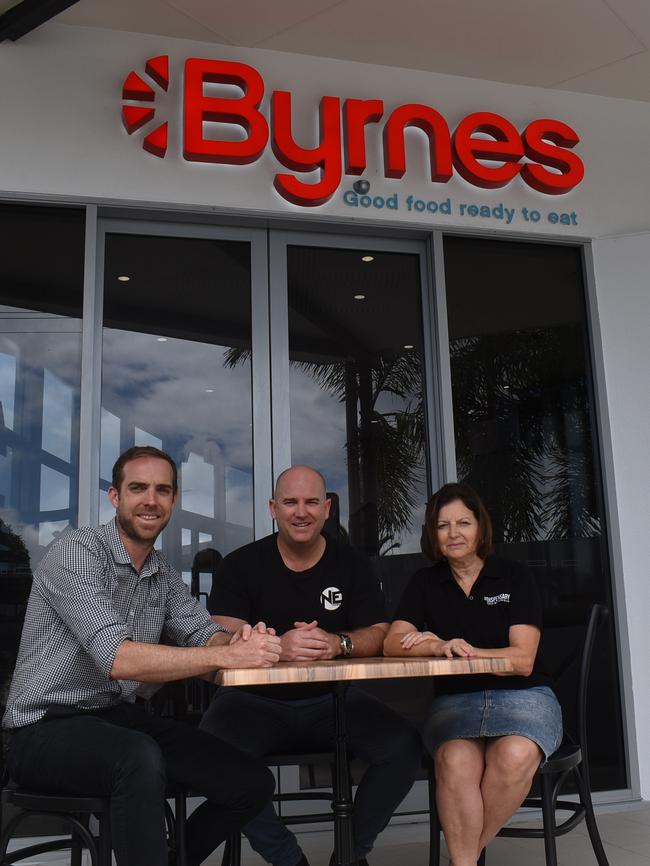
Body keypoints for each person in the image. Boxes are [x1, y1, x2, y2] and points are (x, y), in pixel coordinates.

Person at [2, 446, 282, 866]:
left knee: (249, 780)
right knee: (137, 757)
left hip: (111, 717)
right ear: (115, 496)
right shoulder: (77, 552)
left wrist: (236, 643)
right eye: (138, 488)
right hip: (41, 730)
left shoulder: (162, 572)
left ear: (173, 500)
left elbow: (203, 634)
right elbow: (117, 659)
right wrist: (230, 658)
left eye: (163, 490)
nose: (151, 500)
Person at [200, 465, 422, 866]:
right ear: (272, 508)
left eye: (311, 502)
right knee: (212, 755)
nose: (300, 512)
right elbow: (219, 635)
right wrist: (277, 647)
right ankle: (289, 860)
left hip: (332, 700)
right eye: (290, 502)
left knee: (403, 746)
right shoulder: (241, 564)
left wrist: (340, 643)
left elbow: (379, 630)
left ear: (327, 508)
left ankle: (349, 855)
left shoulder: (351, 564)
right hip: (251, 701)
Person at [383, 482, 562, 866]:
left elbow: (522, 660)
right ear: (432, 533)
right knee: (455, 762)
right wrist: (435, 645)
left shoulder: (514, 577)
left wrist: (463, 649)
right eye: (443, 525)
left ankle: (461, 861)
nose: (454, 533)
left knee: (514, 755)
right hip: (457, 703)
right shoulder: (424, 582)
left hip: (525, 696)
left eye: (463, 522)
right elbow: (392, 643)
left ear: (480, 527)